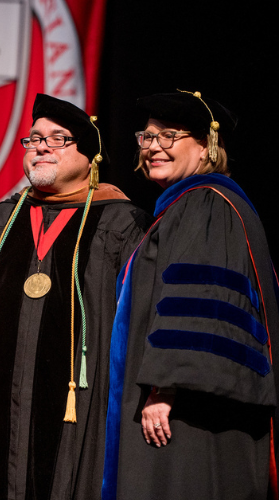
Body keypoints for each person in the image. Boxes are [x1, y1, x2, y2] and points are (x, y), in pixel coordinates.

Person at [0, 94, 151, 500]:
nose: (41, 146)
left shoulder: (121, 222)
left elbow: (139, 321)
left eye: (58, 139)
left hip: (82, 399)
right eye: (33, 139)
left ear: (91, 157)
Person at [102, 91, 279, 500]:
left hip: (186, 413)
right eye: (147, 138)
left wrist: (164, 388)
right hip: (184, 404)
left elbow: (199, 301)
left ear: (206, 146)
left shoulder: (206, 205)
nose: (153, 148)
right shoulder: (192, 206)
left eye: (169, 135)